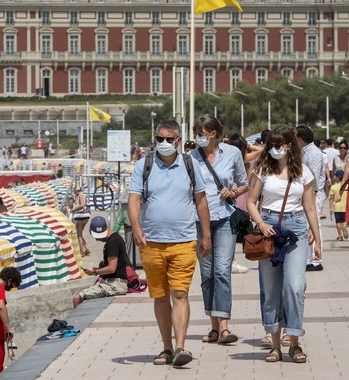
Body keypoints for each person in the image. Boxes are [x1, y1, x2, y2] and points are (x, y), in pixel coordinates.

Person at [128, 119, 211, 367]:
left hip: (183, 240)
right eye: (159, 139)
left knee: (180, 293)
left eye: (167, 139)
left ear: (177, 140)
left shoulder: (190, 165)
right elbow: (134, 200)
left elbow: (201, 201)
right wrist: (136, 227)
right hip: (151, 242)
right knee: (161, 296)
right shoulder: (144, 165)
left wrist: (206, 235)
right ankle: (166, 347)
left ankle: (181, 347)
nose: (162, 143)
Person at [246, 126, 322, 364]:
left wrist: (318, 238)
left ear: (291, 145)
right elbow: (250, 202)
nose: (275, 149)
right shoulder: (262, 169)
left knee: (295, 286)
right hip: (268, 228)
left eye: (280, 144)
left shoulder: (304, 172)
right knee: (271, 290)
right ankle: (275, 345)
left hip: (296, 229)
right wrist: (259, 223)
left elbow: (310, 207)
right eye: (272, 145)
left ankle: (295, 341)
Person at [189, 115, 248, 345]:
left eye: (201, 133)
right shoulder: (191, 158)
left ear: (213, 133)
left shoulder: (232, 153)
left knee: (222, 270)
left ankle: (224, 327)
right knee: (207, 274)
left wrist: (233, 193)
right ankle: (213, 327)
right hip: (198, 220)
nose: (198, 137)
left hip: (225, 218)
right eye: (197, 133)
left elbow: (244, 183)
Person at [73, 216, 129, 308]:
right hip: (114, 283)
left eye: (98, 237)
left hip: (115, 285)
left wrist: (94, 272)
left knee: (77, 297)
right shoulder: (115, 239)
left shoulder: (112, 243)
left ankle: (74, 321)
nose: (97, 239)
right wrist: (99, 269)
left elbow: (111, 268)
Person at [295, 125, 328, 272]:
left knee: (314, 225)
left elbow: (312, 178)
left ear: (300, 138)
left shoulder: (313, 153)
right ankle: (308, 258)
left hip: (314, 193)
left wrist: (311, 199)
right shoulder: (305, 152)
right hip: (307, 193)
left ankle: (315, 260)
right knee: (308, 225)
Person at [70, 186, 92, 256]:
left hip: (81, 217)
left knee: (79, 234)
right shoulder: (83, 195)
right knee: (80, 233)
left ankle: (81, 251)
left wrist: (74, 209)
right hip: (85, 216)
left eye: (74, 191)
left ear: (77, 190)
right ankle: (86, 248)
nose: (74, 192)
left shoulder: (80, 195)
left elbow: (82, 205)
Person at [329, 170, 348, 240]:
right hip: (345, 206)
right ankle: (344, 226)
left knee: (338, 221)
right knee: (345, 220)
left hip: (336, 207)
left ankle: (340, 235)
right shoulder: (346, 186)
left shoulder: (333, 187)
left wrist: (330, 208)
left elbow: (331, 198)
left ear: (337, 177)